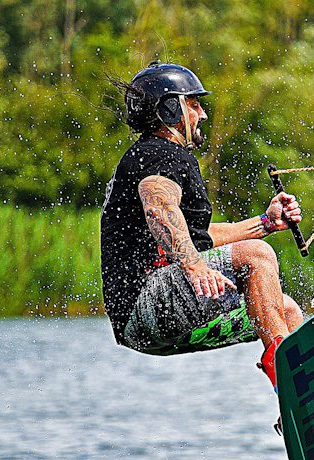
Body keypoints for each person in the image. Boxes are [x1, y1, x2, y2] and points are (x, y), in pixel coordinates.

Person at [101, 61, 303, 394]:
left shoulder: (151, 156)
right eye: (194, 104)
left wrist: (265, 223)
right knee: (259, 256)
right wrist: (193, 266)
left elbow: (197, 238)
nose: (203, 114)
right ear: (170, 110)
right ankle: (284, 372)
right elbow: (158, 207)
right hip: (146, 305)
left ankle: (298, 400)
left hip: (141, 328)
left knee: (285, 310)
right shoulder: (159, 154)